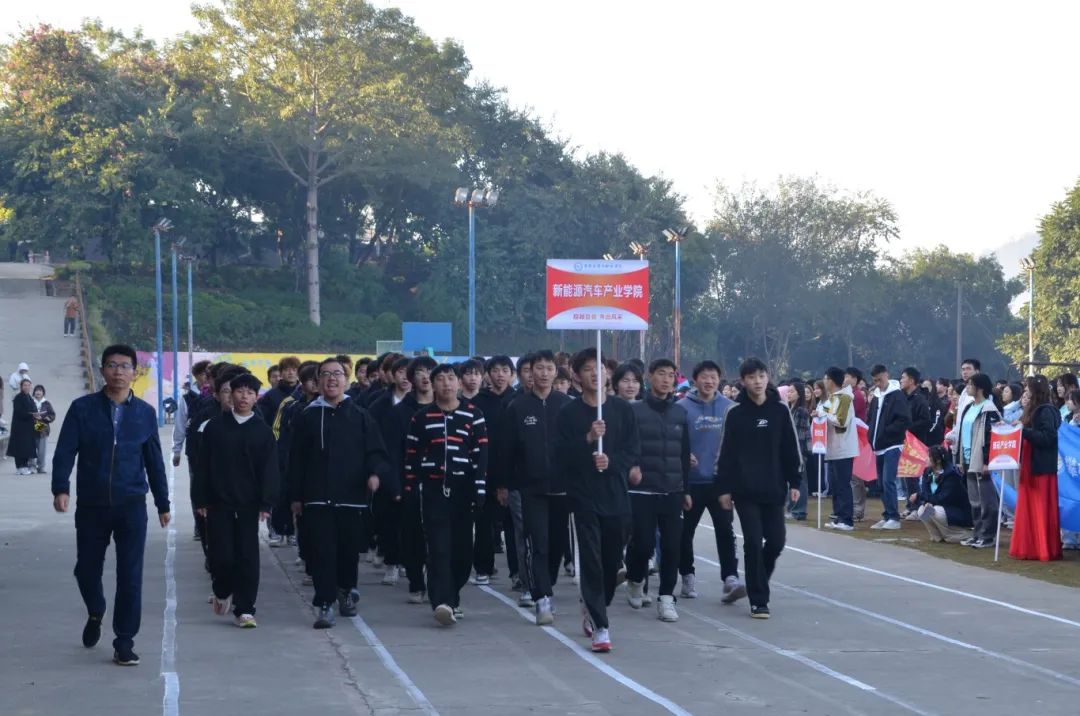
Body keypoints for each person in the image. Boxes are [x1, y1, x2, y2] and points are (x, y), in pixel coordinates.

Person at [51, 344, 170, 666]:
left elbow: (154, 461)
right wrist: (60, 487)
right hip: (92, 505)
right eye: (112, 365)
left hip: (131, 505)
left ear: (135, 372)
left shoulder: (145, 413)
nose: (118, 371)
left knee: (130, 575)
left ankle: (124, 640)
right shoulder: (82, 408)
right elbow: (65, 450)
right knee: (86, 569)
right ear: (102, 369)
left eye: (125, 366)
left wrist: (162, 502)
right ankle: (96, 610)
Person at [288, 358, 390, 629]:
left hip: (351, 497)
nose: (332, 379)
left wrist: (374, 474)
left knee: (347, 551)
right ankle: (324, 603)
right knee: (322, 551)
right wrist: (295, 496)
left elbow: (376, 452)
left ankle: (346, 591)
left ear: (346, 379)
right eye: (325, 374)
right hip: (316, 497)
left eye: (337, 374)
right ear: (317, 381)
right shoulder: (307, 417)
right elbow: (295, 459)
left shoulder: (360, 415)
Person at [556, 348, 639, 652]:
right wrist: (588, 440)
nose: (595, 373)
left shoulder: (622, 410)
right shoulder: (568, 413)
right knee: (590, 558)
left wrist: (611, 462)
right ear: (577, 375)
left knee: (612, 560)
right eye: (588, 368)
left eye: (600, 367)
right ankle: (601, 626)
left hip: (616, 494)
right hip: (583, 495)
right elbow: (561, 455)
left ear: (607, 373)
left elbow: (632, 450)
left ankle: (595, 603)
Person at [715, 358, 802, 619]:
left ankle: (756, 578)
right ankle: (759, 599)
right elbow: (726, 453)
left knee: (776, 542)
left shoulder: (780, 410)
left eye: (761, 376)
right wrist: (723, 488)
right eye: (751, 377)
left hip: (774, 488)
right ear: (743, 381)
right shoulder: (735, 413)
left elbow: (791, 448)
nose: (757, 381)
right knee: (753, 542)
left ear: (768, 377)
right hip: (745, 490)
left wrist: (795, 481)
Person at [403, 364, 488, 626]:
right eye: (440, 379)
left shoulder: (474, 414)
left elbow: (481, 455)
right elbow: (412, 455)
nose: (446, 384)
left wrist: (479, 489)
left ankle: (453, 596)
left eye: (451, 378)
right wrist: (409, 487)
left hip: (464, 490)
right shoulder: (421, 417)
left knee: (462, 551)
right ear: (432, 384)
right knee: (438, 547)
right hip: (433, 490)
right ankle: (442, 601)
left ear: (459, 383)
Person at [193, 372, 279, 627]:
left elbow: (270, 470)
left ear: (256, 397)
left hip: (249, 504)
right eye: (239, 391)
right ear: (230, 395)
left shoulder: (263, 432)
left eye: (250, 393)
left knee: (247, 557)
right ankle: (222, 590)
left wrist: (266, 502)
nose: (244, 397)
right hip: (218, 503)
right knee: (221, 556)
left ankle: (245, 609)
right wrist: (201, 499)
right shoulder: (215, 427)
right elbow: (203, 466)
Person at [500, 349, 572, 625]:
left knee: (557, 544)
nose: (543, 373)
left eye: (548, 368)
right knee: (538, 543)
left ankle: (547, 582)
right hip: (531, 489)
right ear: (529, 373)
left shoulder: (566, 405)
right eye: (537, 368)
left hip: (563, 488)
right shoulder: (517, 407)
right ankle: (542, 597)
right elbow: (507, 450)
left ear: (556, 372)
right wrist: (505, 484)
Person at [626, 358, 690, 622]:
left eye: (670, 375)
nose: (666, 379)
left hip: (672, 490)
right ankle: (635, 579)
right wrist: (631, 467)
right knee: (643, 545)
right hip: (642, 491)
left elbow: (684, 453)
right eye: (661, 374)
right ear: (649, 376)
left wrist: (686, 489)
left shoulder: (680, 413)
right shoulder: (634, 411)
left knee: (673, 547)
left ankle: (666, 598)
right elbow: (625, 446)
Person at [677, 360, 743, 602]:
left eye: (713, 376)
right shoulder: (681, 408)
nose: (709, 381)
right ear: (695, 380)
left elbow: (739, 445)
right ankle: (687, 575)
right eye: (704, 376)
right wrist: (683, 455)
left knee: (725, 530)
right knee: (685, 533)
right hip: (692, 482)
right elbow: (673, 440)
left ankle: (730, 578)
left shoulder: (730, 408)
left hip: (720, 483)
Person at [470, 356, 517, 591]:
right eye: (495, 370)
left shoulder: (519, 401)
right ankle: (483, 568)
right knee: (484, 523)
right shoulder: (477, 403)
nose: (500, 375)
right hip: (484, 471)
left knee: (514, 526)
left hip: (513, 472)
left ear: (512, 375)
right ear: (487, 374)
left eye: (505, 370)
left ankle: (517, 572)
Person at [1010, 376, 1063, 561]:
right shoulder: (1033, 410)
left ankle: (1042, 548)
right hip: (1031, 463)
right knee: (1029, 506)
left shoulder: (1046, 411)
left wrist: (1023, 431)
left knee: (1040, 508)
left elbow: (1048, 437)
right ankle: (1031, 546)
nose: (1025, 392)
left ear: (1035, 392)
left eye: (1028, 389)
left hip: (1041, 466)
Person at [953, 373, 1001, 549]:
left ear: (980, 387)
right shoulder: (969, 407)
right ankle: (978, 533)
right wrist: (960, 458)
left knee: (987, 501)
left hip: (980, 459)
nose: (967, 387)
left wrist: (987, 461)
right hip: (967, 459)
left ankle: (988, 536)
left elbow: (991, 437)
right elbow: (962, 432)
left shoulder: (989, 409)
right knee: (974, 500)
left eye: (970, 384)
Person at [866, 365, 911, 530]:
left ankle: (894, 517)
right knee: (881, 483)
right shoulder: (876, 396)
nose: (878, 383)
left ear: (886, 376)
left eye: (880, 380)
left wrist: (885, 432)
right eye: (875, 381)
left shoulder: (897, 395)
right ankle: (887, 515)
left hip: (892, 444)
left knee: (888, 481)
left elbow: (904, 420)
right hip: (878, 446)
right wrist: (872, 434)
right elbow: (871, 418)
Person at [819, 367, 857, 531]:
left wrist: (823, 415)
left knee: (843, 484)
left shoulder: (845, 398)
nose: (824, 382)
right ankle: (838, 516)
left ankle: (847, 520)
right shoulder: (833, 398)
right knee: (835, 485)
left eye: (825, 378)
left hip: (843, 449)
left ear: (831, 380)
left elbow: (841, 421)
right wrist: (818, 414)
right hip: (833, 449)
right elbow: (823, 411)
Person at [909, 446, 972, 543]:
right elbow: (926, 493)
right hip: (941, 507)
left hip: (957, 511)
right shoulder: (927, 472)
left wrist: (919, 496)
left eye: (929, 457)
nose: (926, 459)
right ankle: (937, 536)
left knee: (936, 511)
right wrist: (927, 502)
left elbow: (943, 499)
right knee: (922, 510)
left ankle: (960, 535)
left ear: (938, 460)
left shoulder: (951, 475)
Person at [899, 367, 930, 518]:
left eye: (903, 377)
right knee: (907, 475)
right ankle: (910, 505)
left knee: (913, 476)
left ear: (911, 380)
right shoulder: (904, 397)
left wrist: (907, 428)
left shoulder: (920, 399)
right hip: (906, 442)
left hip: (916, 443)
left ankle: (917, 508)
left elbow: (925, 421)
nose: (901, 380)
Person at [843, 368, 868, 520]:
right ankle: (852, 508)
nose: (844, 379)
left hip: (857, 439)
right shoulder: (848, 393)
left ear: (854, 379)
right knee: (851, 476)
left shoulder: (855, 396)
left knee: (856, 476)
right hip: (850, 438)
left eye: (847, 376)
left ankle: (858, 510)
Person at [256, 356, 300, 427]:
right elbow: (261, 419)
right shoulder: (270, 395)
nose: (291, 373)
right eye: (287, 370)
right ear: (281, 373)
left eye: (294, 370)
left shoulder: (305, 393)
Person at [7, 378, 37, 474]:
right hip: (19, 427)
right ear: (21, 387)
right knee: (20, 447)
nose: (27, 387)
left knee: (27, 447)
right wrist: (31, 414)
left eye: (28, 385)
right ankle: (20, 467)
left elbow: (34, 408)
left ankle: (24, 466)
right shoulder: (18, 398)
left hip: (28, 427)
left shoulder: (30, 398)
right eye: (25, 385)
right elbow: (19, 412)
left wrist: (37, 414)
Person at [31, 384, 56, 474]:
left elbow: (52, 415)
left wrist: (43, 418)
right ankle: (32, 466)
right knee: (31, 449)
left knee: (42, 450)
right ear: (34, 392)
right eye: (36, 390)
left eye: (40, 391)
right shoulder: (31, 402)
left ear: (43, 393)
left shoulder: (47, 403)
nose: (38, 392)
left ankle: (41, 467)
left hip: (43, 428)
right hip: (31, 428)